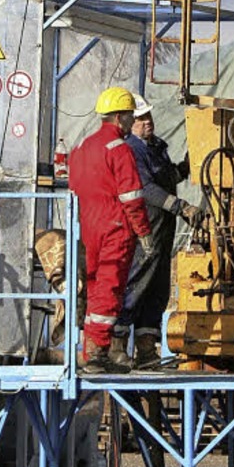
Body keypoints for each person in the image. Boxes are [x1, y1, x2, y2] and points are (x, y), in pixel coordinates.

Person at [68, 87, 153, 373]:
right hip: (115, 229)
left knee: (93, 289)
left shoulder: (81, 148)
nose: (132, 121)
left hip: (87, 228)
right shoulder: (120, 149)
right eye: (130, 116)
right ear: (119, 117)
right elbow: (132, 196)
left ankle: (92, 349)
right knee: (110, 288)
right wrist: (144, 232)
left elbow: (75, 188)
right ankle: (95, 355)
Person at [112, 96, 201, 367]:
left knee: (157, 288)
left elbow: (167, 178)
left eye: (148, 116)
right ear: (130, 122)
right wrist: (181, 206)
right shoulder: (131, 151)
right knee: (136, 284)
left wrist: (188, 165)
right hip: (144, 230)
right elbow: (146, 188)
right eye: (140, 118)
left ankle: (147, 349)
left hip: (162, 230)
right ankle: (117, 347)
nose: (147, 122)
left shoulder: (155, 147)